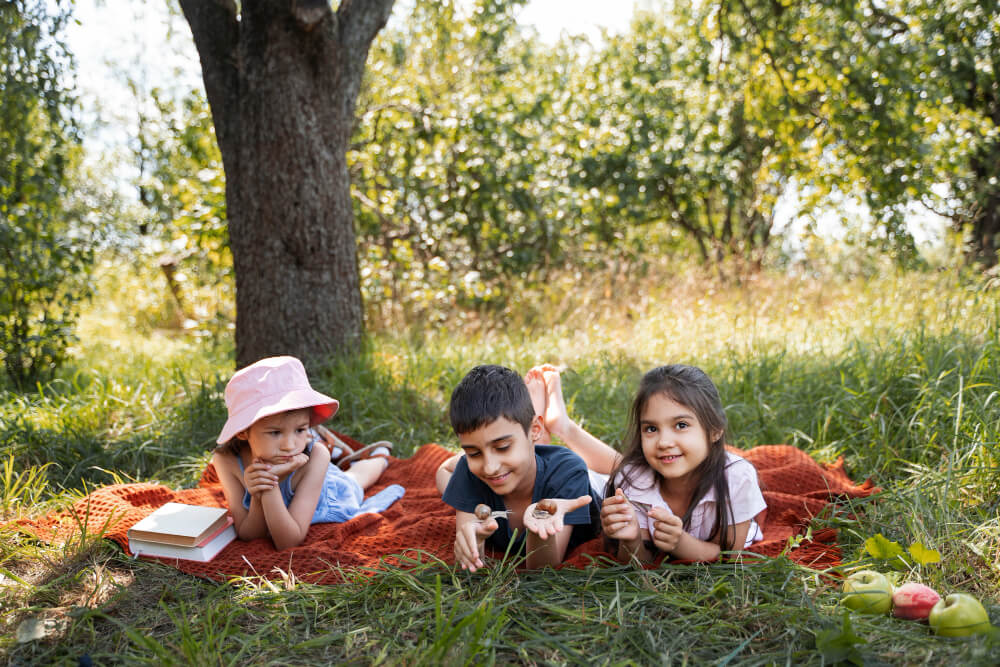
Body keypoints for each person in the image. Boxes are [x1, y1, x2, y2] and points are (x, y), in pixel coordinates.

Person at [528, 363, 766, 563]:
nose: (663, 441)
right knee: (590, 473)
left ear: (715, 431)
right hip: (600, 486)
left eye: (681, 425)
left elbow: (729, 557)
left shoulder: (736, 478)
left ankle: (559, 428)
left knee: (622, 469)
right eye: (651, 428)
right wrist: (630, 538)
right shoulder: (632, 480)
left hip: (632, 477)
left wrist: (681, 544)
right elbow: (637, 561)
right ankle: (539, 440)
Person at [212, 356, 404, 550]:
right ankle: (333, 446)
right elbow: (248, 534)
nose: (289, 445)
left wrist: (270, 486)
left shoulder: (316, 457)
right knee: (351, 474)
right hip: (302, 475)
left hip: (327, 492)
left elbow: (288, 542)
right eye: (275, 433)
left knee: (356, 480)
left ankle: (379, 455)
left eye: (300, 430)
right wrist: (259, 494)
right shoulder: (226, 460)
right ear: (243, 431)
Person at [437, 365, 597, 571]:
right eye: (474, 453)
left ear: (534, 429)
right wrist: (472, 546)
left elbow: (544, 571)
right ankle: (533, 418)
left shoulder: (569, 472)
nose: (490, 467)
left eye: (502, 447)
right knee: (442, 472)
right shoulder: (469, 471)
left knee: (625, 468)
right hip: (529, 455)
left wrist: (539, 522)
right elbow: (468, 563)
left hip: (597, 481)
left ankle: (558, 421)